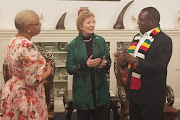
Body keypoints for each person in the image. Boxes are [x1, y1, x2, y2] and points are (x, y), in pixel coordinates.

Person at [116, 7, 172, 120]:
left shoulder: (164, 40)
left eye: (141, 19)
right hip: (135, 95)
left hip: (151, 96)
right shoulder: (137, 38)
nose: (138, 22)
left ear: (152, 22)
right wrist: (123, 61)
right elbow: (129, 63)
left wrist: (136, 61)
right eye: (138, 19)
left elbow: (160, 65)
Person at [0, 10, 53, 120]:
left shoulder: (14, 40)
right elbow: (32, 80)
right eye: (38, 23)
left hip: (13, 90)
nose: (40, 25)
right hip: (26, 96)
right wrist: (48, 72)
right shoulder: (27, 46)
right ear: (28, 27)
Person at [66, 11, 111, 120]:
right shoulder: (73, 45)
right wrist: (85, 65)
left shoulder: (101, 41)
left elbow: (108, 61)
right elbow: (70, 68)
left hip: (101, 91)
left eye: (93, 22)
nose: (92, 25)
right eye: (88, 22)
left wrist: (105, 64)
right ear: (80, 26)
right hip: (83, 93)